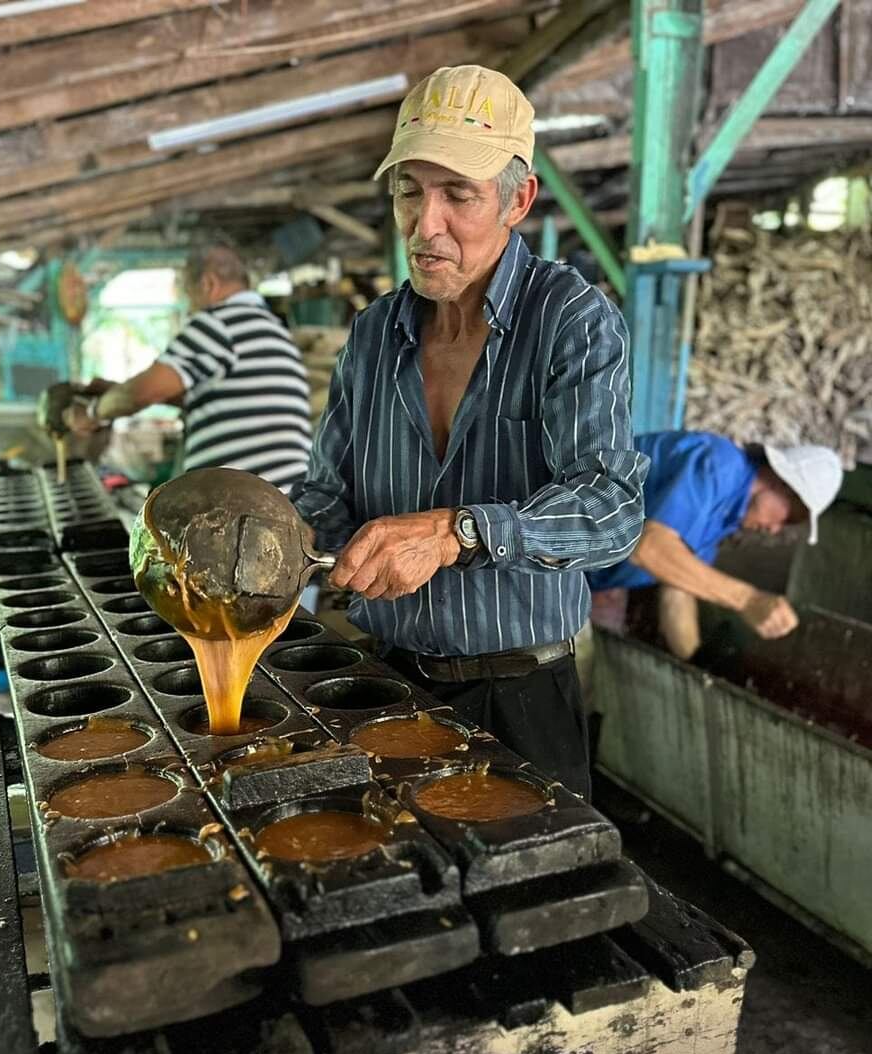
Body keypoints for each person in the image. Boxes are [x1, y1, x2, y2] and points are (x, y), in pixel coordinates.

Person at [293, 64, 648, 804]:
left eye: (458, 194)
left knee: (533, 904)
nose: (427, 226)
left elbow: (612, 509)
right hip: (383, 683)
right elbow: (326, 497)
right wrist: (274, 540)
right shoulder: (371, 336)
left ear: (518, 198)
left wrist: (459, 531)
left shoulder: (569, 321)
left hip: (521, 693)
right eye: (408, 192)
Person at [59, 239, 313, 495]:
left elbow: (144, 392)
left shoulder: (219, 323)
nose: (189, 307)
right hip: (283, 501)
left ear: (208, 284)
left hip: (246, 508)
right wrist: (116, 391)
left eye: (188, 296)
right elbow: (215, 398)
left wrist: (91, 413)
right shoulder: (272, 330)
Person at [586, 432, 843, 659]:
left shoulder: (724, 522)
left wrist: (698, 663)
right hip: (556, 534)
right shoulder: (720, 465)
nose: (775, 530)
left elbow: (677, 590)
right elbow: (650, 548)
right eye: (787, 518)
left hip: (582, 574)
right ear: (781, 483)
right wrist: (748, 599)